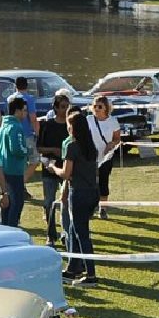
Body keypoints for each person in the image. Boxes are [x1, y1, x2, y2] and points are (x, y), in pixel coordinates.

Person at [50, 109, 102, 286]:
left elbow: (65, 173)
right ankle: (73, 267)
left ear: (72, 127)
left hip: (78, 193)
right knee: (73, 229)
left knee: (82, 234)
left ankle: (91, 275)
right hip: (92, 192)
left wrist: (52, 168)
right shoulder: (91, 146)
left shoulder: (72, 146)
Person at [38, 93, 71, 245]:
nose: (66, 110)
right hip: (49, 168)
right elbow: (39, 148)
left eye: (67, 106)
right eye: (63, 107)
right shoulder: (47, 125)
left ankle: (66, 233)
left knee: (66, 202)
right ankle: (51, 235)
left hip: (66, 168)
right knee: (49, 202)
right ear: (56, 108)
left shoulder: (71, 126)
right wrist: (54, 150)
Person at [0, 96, 29, 227]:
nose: (25, 114)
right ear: (17, 111)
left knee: (7, 201)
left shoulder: (3, 125)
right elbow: (17, 149)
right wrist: (27, 151)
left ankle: (5, 226)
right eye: (24, 110)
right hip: (14, 170)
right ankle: (12, 227)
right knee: (17, 202)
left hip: (3, 168)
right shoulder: (16, 127)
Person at [86, 98, 121, 219]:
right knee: (90, 183)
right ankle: (90, 207)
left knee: (103, 182)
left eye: (100, 106)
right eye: (94, 106)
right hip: (90, 156)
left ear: (106, 108)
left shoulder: (112, 121)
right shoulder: (88, 119)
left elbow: (117, 139)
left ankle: (103, 209)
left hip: (106, 157)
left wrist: (111, 144)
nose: (96, 109)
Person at [9, 75, 39, 185]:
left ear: (15, 86)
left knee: (20, 161)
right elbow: (33, 118)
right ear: (26, 85)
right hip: (27, 134)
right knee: (35, 160)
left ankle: (20, 184)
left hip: (13, 133)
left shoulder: (10, 99)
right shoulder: (29, 99)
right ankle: (22, 182)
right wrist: (37, 133)